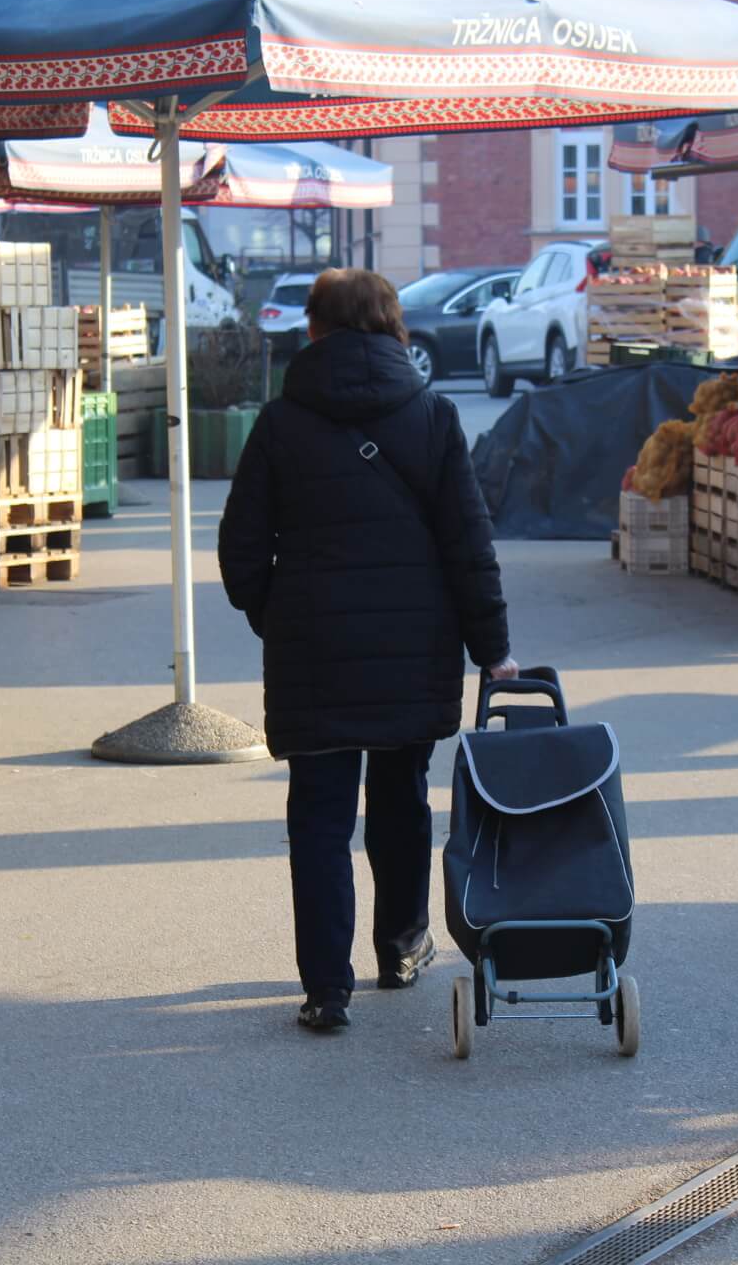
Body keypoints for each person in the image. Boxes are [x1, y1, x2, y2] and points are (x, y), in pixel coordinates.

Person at [218, 268, 515, 1033]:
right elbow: (468, 544)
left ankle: (325, 988)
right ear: (392, 326)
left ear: (312, 329)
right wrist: (493, 647)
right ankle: (402, 945)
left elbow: (240, 547)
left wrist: (274, 614)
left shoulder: (280, 422)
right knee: (401, 798)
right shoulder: (433, 416)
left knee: (317, 815)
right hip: (414, 647)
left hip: (310, 648)